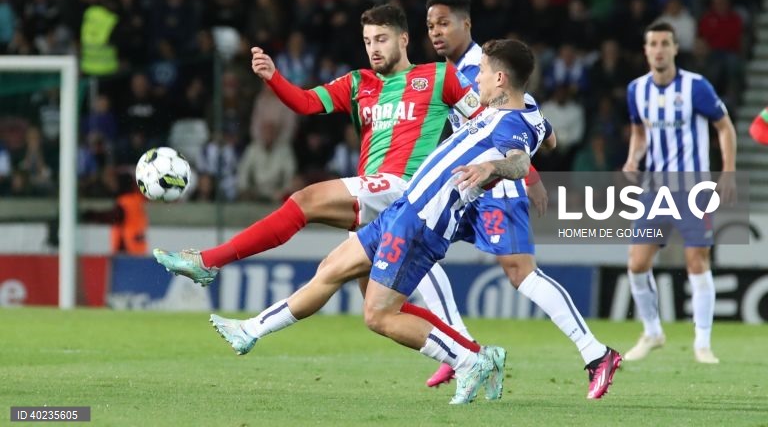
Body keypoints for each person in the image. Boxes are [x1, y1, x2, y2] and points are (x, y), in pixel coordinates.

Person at [208, 39, 621, 403]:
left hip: (424, 221)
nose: (473, 79)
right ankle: (250, 331)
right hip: (404, 208)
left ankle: (470, 359)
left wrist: (494, 165)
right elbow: (548, 136)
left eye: (480, 73)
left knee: (379, 315)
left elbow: (517, 161)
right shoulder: (524, 111)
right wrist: (542, 135)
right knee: (332, 269)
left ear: (499, 79)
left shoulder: (510, 123)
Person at [154, 4, 481, 360]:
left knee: (306, 200)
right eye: (368, 40)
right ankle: (474, 355)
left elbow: (483, 121)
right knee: (372, 305)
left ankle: (208, 261)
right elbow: (308, 103)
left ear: (403, 39)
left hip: (404, 188)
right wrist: (274, 77)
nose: (373, 48)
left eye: (381, 39)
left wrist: (510, 166)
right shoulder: (359, 83)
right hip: (375, 198)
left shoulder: (438, 76)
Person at [425, 0, 619, 389]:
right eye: (430, 25)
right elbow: (543, 129)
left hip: (494, 185)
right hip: (465, 186)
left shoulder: (485, 68)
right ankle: (460, 349)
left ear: (467, 24)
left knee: (521, 274)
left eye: (444, 23)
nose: (436, 32)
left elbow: (527, 114)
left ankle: (595, 353)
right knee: (419, 252)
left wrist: (528, 176)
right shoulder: (446, 72)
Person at [622, 21, 737, 364]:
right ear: (646, 50)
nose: (658, 49)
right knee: (637, 263)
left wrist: (728, 172)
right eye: (653, 43)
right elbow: (639, 133)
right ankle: (652, 332)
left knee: (696, 261)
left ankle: (702, 343)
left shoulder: (696, 87)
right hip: (655, 189)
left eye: (665, 43)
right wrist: (632, 159)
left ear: (675, 49)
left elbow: (724, 127)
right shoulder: (636, 90)